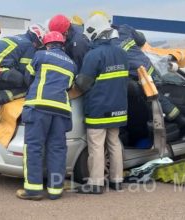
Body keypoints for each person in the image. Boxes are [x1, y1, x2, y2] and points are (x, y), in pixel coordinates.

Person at [93, 11, 185, 127]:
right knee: (156, 97)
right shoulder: (125, 29)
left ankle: (179, 119)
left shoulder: (107, 43)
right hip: (149, 68)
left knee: (155, 98)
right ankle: (175, 120)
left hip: (139, 75)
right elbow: (141, 40)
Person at [16, 31, 76, 200]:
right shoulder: (72, 64)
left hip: (38, 106)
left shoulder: (40, 55)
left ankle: (33, 190)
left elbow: (28, 78)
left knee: (34, 148)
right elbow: (70, 86)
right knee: (57, 150)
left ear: (47, 44)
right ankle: (55, 190)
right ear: (62, 45)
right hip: (61, 110)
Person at [73, 14, 128, 194]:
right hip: (118, 108)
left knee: (96, 146)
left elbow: (83, 84)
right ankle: (117, 181)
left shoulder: (93, 55)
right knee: (114, 143)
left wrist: (75, 79)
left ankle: (96, 184)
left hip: (98, 109)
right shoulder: (121, 53)